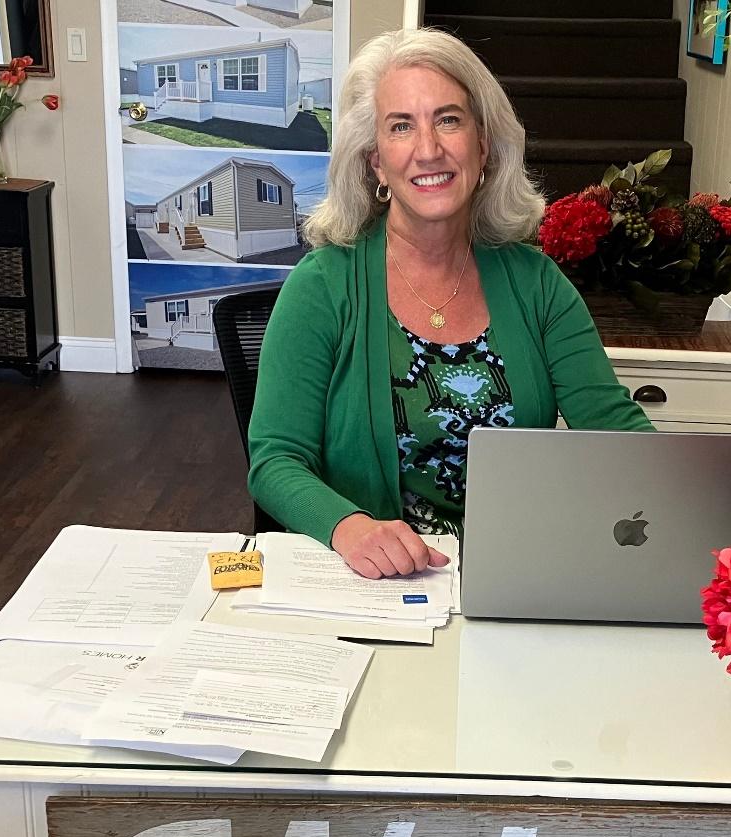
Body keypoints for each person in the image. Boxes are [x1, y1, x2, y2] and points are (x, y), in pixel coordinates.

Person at [248, 27, 653, 579]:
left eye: (448, 119)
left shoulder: (537, 283)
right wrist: (351, 528)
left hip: (518, 572)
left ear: (483, 146)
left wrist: (688, 490)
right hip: (378, 584)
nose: (429, 149)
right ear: (375, 162)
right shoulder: (322, 286)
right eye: (401, 126)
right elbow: (275, 459)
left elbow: (612, 426)